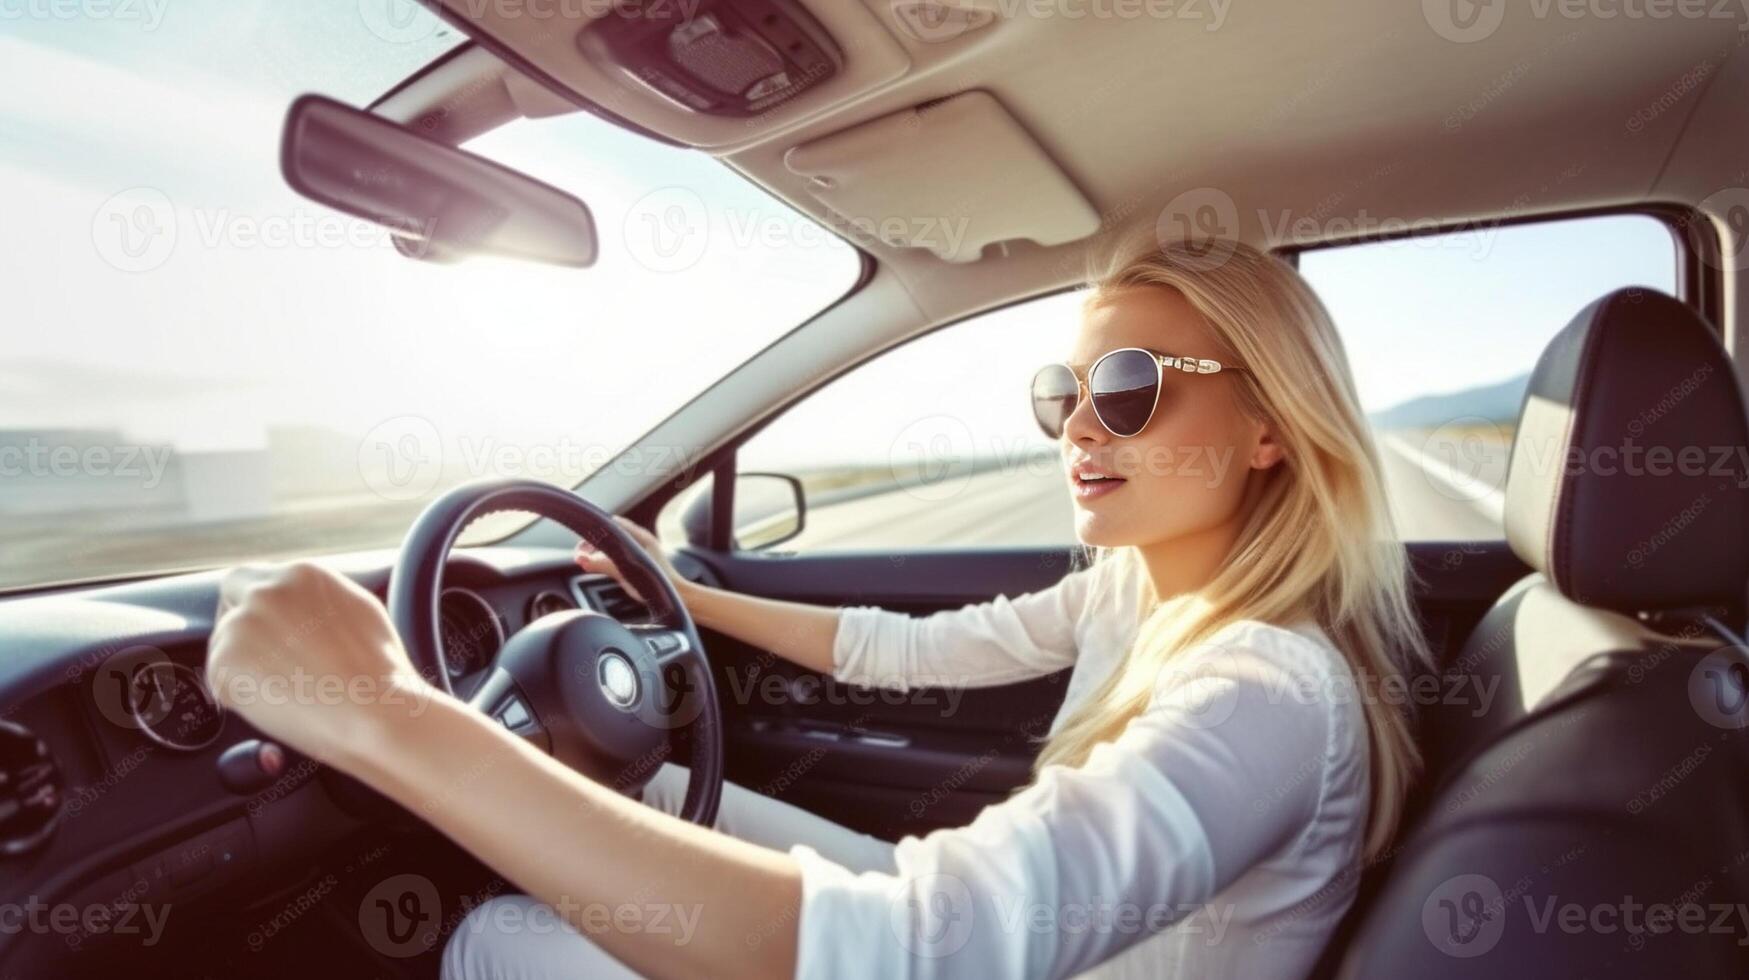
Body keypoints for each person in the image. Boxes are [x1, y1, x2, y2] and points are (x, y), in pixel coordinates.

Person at [207, 239, 1430, 979]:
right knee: (645, 786)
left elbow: (908, 952)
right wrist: (681, 594)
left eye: (1129, 389)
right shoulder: (1138, 587)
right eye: (1064, 391)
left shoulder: (1268, 690)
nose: (1078, 427)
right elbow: (900, 649)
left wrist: (385, 716)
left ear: (1272, 426)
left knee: (495, 941)